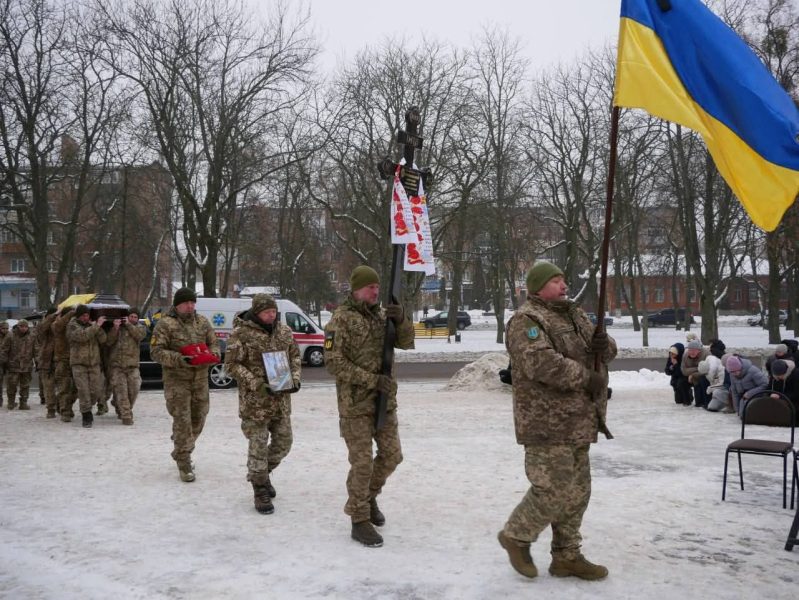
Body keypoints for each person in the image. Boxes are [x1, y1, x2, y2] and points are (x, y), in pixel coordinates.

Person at [497, 261, 615, 581]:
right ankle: (516, 535)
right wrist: (585, 377)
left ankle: (566, 556)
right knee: (553, 487)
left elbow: (604, 350)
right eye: (556, 281)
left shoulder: (575, 314)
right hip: (546, 421)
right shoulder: (526, 320)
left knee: (578, 491)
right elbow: (540, 363)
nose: (564, 286)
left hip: (579, 419)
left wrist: (605, 346)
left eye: (564, 279)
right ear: (538, 288)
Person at [324, 266, 414, 548]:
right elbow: (333, 363)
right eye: (370, 287)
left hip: (385, 403)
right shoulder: (340, 321)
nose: (375, 291)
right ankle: (359, 519)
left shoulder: (381, 316)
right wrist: (372, 381)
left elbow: (408, 342)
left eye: (377, 286)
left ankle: (368, 497)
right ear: (356, 289)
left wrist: (401, 320)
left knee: (392, 456)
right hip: (356, 405)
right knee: (362, 463)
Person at [224, 294, 301, 514]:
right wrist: (255, 383)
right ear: (257, 312)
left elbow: (295, 356)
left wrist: (295, 378)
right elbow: (231, 365)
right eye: (267, 312)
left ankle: (261, 474)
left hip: (280, 401)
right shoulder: (241, 333)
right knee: (257, 446)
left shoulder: (284, 331)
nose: (272, 315)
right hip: (255, 403)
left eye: (274, 311)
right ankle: (260, 490)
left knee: (284, 442)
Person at [151, 287, 220, 482]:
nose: (190, 306)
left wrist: (214, 354)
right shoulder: (165, 324)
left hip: (200, 381)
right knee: (182, 421)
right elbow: (156, 352)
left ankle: (182, 445)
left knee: (199, 418)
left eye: (192, 302)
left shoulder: (202, 322)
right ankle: (184, 461)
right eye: (186, 303)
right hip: (177, 382)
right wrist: (181, 359)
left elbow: (213, 343)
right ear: (177, 305)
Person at [67, 305, 108, 427]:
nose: (86, 318)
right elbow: (82, 336)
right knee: (83, 391)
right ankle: (86, 416)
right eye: (84, 316)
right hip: (79, 364)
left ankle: (88, 407)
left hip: (94, 363)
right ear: (78, 316)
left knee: (96, 391)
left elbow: (103, 339)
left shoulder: (92, 326)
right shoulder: (72, 326)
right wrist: (96, 326)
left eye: (87, 315)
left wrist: (97, 327)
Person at [105, 308, 147, 425]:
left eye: (135, 317)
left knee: (134, 390)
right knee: (121, 391)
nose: (133, 319)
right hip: (117, 366)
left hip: (132, 365)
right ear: (127, 316)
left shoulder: (139, 328)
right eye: (131, 316)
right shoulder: (118, 328)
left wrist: (129, 325)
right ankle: (126, 415)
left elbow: (139, 336)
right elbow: (108, 342)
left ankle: (120, 405)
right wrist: (115, 328)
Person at [0, 320, 37, 410]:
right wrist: (2, 362)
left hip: (26, 366)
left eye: (25, 327)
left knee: (25, 386)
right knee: (11, 386)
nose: (24, 328)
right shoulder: (10, 336)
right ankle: (11, 403)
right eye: (22, 326)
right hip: (13, 365)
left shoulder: (32, 336)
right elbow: (4, 350)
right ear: (18, 327)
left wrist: (37, 361)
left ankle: (23, 403)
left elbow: (36, 350)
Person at [52, 307, 78, 422]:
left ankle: (64, 405)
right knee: (64, 387)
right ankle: (65, 411)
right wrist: (71, 313)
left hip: (75, 360)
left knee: (76, 389)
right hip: (62, 360)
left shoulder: (75, 326)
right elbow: (58, 326)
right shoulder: (57, 325)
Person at [36, 308, 58, 417]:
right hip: (46, 361)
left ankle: (61, 406)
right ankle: (51, 409)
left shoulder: (60, 325)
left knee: (66, 387)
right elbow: (41, 329)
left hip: (60, 360)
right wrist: (53, 316)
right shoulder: (44, 328)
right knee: (49, 388)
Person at [681, 340, 709, 408]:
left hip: (703, 376)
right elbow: (684, 370)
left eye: (694, 350)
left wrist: (693, 375)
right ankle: (687, 401)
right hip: (689, 376)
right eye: (690, 350)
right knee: (682, 381)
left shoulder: (706, 354)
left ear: (699, 350)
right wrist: (697, 368)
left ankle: (702, 402)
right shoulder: (685, 355)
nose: (691, 352)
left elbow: (706, 370)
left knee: (701, 381)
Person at [0, 320, 8, 407]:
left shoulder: (10, 336)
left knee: (10, 383)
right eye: (3, 328)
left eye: (6, 328)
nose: (5, 330)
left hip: (8, 362)